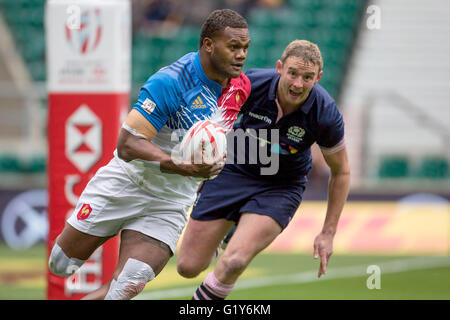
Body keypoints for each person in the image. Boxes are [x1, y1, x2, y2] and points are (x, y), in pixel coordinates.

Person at [47, 9, 251, 300]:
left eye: (245, 48)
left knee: (129, 283)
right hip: (127, 183)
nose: (241, 55)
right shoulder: (170, 82)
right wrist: (181, 166)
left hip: (170, 201)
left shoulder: (241, 87)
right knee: (61, 264)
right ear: (208, 44)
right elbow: (127, 144)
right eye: (233, 47)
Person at [177, 40, 350, 300]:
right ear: (279, 67)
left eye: (307, 77)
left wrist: (328, 232)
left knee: (234, 261)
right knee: (188, 267)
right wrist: (204, 161)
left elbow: (342, 172)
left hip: (280, 187)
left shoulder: (325, 113)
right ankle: (227, 232)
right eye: (292, 73)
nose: (298, 84)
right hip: (233, 169)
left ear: (319, 78)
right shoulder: (250, 84)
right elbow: (212, 121)